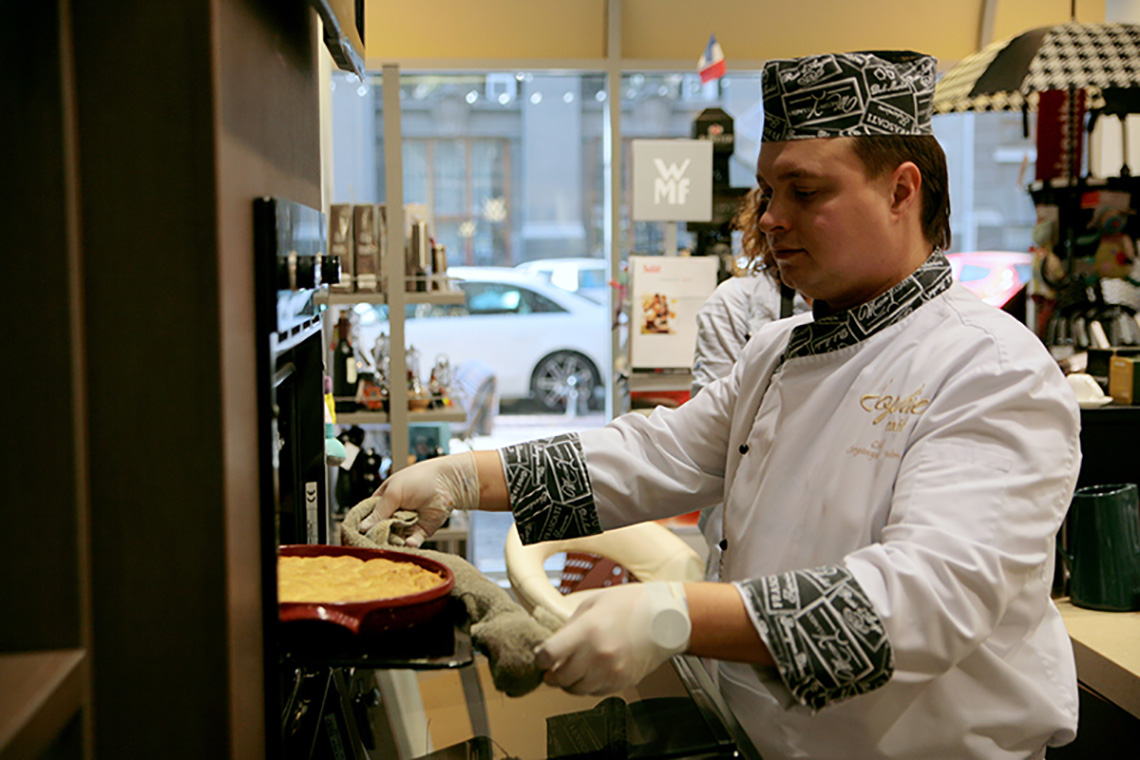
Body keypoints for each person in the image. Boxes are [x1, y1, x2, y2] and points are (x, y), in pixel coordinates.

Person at [360, 50, 1081, 760]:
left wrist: (676, 616)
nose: (770, 219)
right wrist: (459, 477)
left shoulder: (991, 369)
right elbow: (653, 452)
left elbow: (923, 602)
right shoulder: (777, 350)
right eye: (768, 191)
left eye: (805, 191)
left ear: (902, 190)